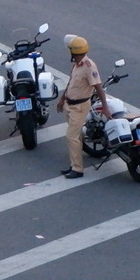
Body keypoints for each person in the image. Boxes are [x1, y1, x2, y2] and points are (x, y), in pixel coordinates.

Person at [57, 34, 109, 179]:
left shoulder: (88, 67)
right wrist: (62, 99)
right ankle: (74, 164)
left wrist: (105, 107)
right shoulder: (77, 65)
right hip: (70, 104)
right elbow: (71, 83)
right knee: (77, 136)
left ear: (74, 51)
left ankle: (78, 169)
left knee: (71, 136)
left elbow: (98, 87)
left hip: (80, 106)